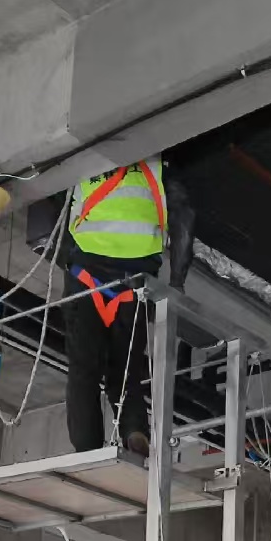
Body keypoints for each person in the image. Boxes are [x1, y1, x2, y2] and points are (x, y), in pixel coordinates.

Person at [59, 159, 195, 456]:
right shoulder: (156, 169)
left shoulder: (83, 163)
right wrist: (177, 282)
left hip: (86, 278)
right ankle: (135, 432)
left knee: (84, 370)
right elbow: (184, 217)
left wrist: (67, 260)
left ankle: (88, 451)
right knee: (126, 369)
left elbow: (61, 213)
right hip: (135, 286)